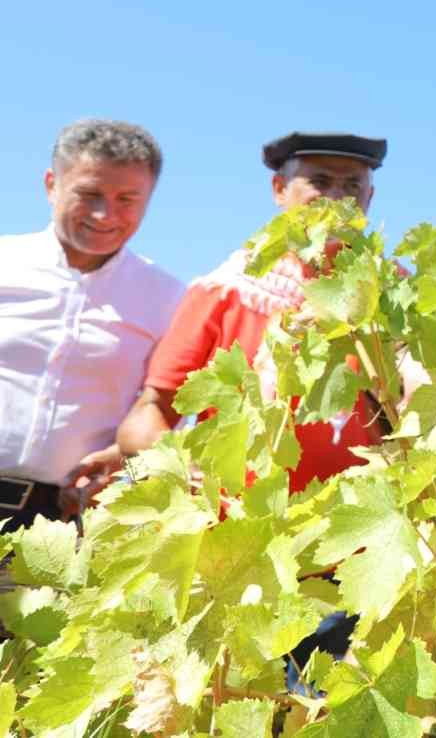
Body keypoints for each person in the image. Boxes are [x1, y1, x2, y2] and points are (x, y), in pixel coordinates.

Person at [115, 131, 390, 492]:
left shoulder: (392, 301)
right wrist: (167, 472)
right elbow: (140, 425)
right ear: (279, 190)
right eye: (320, 182)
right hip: (239, 531)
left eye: (353, 185)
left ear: (369, 198)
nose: (337, 198)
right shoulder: (227, 293)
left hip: (354, 534)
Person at [0, 119, 184, 527]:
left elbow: (167, 425)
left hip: (68, 528)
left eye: (127, 199)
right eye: (89, 194)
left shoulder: (171, 300)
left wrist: (124, 475)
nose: (105, 215)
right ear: (52, 185)